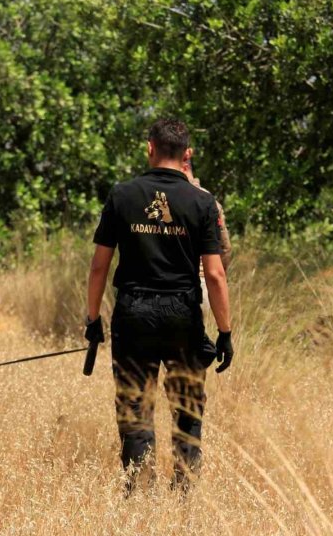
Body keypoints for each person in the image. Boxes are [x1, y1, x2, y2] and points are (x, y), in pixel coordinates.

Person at [84, 118, 234, 495]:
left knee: (135, 411)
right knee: (187, 410)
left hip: (132, 313)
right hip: (182, 316)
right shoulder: (202, 202)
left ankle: (140, 500)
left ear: (149, 148)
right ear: (187, 154)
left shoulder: (122, 195)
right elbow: (215, 275)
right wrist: (225, 332)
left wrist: (92, 320)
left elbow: (99, 265)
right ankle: (183, 497)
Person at [182, 157, 232, 310]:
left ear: (184, 166)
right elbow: (224, 248)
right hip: (204, 283)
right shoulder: (209, 200)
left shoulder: (164, 196)